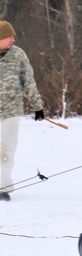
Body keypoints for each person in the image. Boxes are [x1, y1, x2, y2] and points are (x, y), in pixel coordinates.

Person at [0, 21, 45, 201]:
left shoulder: (18, 55)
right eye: (9, 36)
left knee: (4, 151)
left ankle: (3, 187)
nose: (13, 39)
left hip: (11, 112)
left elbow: (28, 82)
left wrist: (37, 106)